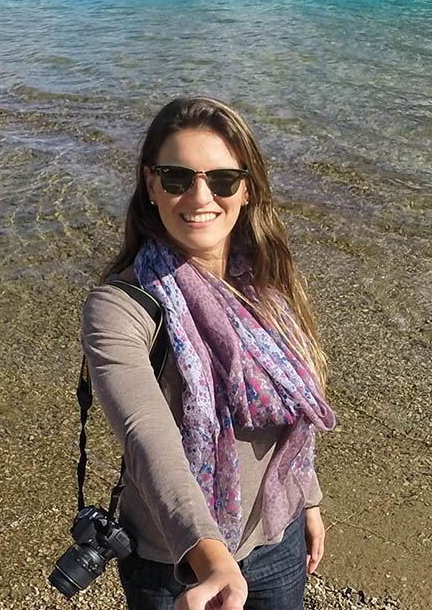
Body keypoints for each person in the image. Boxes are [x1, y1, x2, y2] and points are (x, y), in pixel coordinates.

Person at [82, 96, 336, 610]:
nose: (201, 197)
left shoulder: (266, 284)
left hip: (274, 534)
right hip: (174, 559)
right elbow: (147, 438)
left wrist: (305, 499)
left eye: (221, 180)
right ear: (151, 185)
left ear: (246, 189)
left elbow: (293, 413)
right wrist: (210, 556)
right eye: (178, 177)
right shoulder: (119, 307)